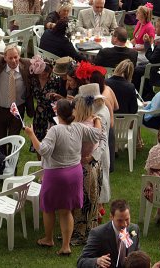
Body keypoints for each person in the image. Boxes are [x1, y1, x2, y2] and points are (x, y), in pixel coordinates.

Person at [25, 99, 102, 256]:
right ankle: (66, 246)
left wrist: (32, 135)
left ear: (57, 112)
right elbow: (97, 135)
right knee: (66, 210)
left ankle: (48, 239)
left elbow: (44, 151)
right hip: (74, 173)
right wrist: (97, 119)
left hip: (56, 174)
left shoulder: (55, 130)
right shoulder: (79, 127)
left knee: (48, 208)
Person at [71, 83, 108, 246]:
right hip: (83, 165)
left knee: (87, 200)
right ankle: (78, 230)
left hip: (89, 167)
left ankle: (85, 233)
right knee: (82, 200)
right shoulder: (89, 120)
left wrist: (93, 157)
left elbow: (102, 141)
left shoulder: (95, 121)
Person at [0, 44, 35, 153]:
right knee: (1, 142)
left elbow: (44, 66)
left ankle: (12, 168)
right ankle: (0, 166)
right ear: (5, 57)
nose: (14, 60)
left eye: (16, 57)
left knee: (13, 142)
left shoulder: (27, 65)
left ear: (19, 56)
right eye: (10, 58)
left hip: (17, 110)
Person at [77, 199, 140, 268]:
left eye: (127, 219)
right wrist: (97, 261)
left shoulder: (134, 229)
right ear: (111, 217)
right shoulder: (98, 234)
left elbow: (137, 251)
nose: (124, 224)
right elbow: (81, 261)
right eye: (120, 220)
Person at [133, 17, 160, 101]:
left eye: (157, 27)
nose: (155, 29)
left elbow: (151, 58)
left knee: (136, 70)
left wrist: (146, 43)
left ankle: (142, 94)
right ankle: (148, 90)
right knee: (140, 65)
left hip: (159, 70)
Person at [29, 55, 60, 156]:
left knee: (51, 141)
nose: (44, 74)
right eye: (42, 71)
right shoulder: (33, 81)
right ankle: (41, 166)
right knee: (38, 141)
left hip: (51, 114)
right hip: (39, 115)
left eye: (47, 72)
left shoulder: (55, 82)